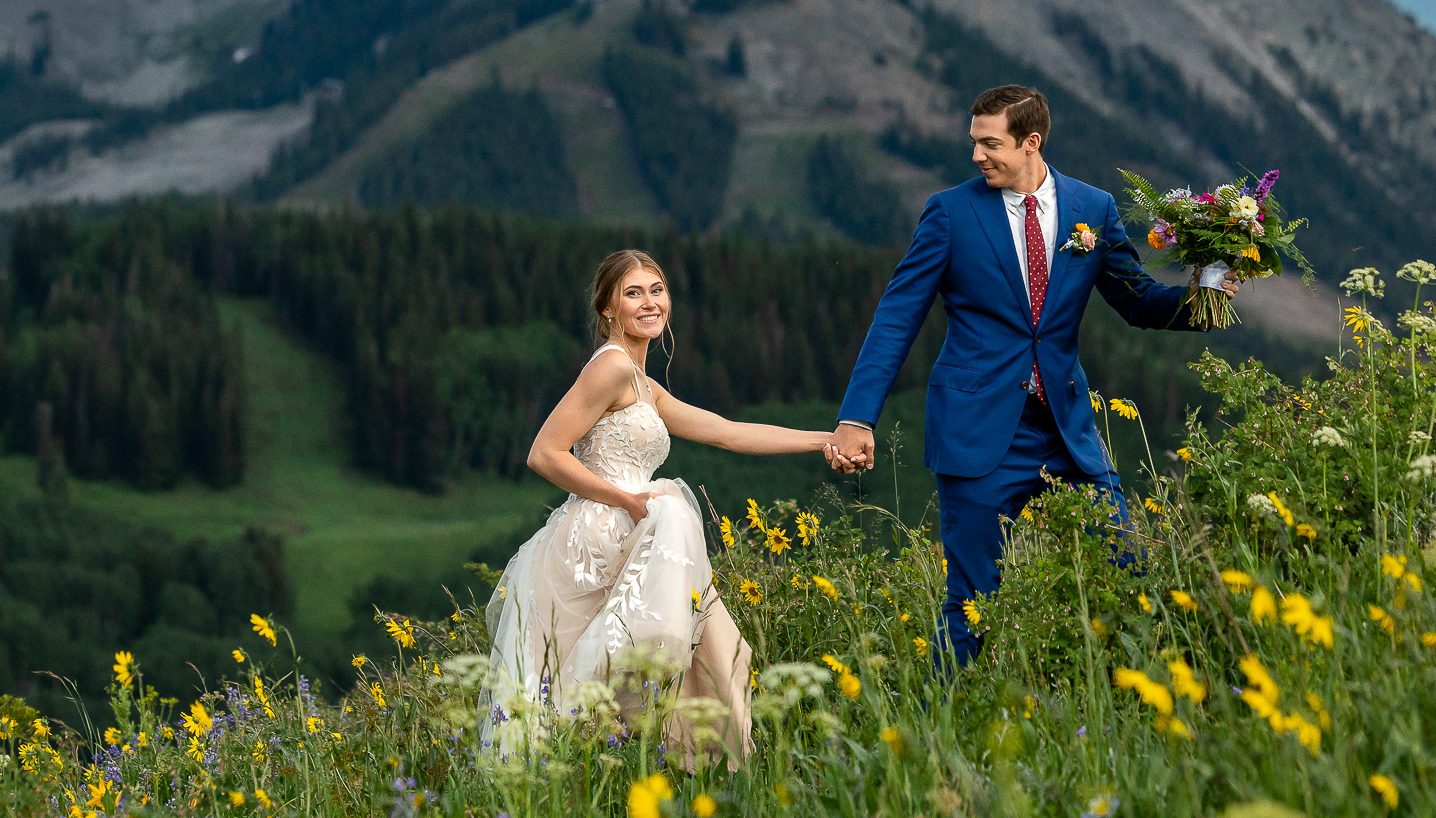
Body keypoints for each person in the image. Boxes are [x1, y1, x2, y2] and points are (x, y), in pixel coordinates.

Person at [825, 84, 1240, 665]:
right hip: (976, 432)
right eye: (974, 142)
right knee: (972, 604)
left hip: (1067, 432)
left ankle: (1126, 712)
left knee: (1128, 571)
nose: (976, 155)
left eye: (989, 143)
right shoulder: (949, 212)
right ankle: (940, 734)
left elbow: (1136, 299)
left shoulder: (1091, 209)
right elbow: (897, 317)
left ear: (1031, 143)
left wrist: (1209, 296)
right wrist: (856, 417)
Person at [482, 249, 839, 766]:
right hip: (599, 537)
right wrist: (624, 498)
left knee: (657, 661)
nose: (649, 303)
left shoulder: (645, 385)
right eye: (633, 293)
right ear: (607, 308)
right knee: (587, 678)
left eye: (657, 290)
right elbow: (545, 452)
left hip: (633, 531)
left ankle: (631, 771)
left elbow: (729, 432)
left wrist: (827, 440)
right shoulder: (610, 368)